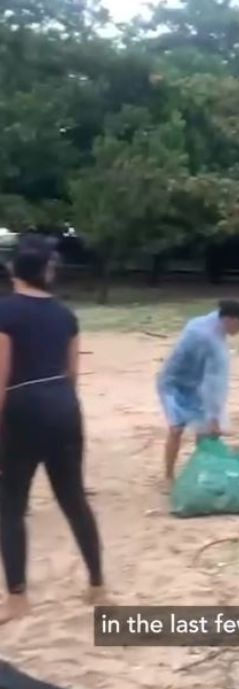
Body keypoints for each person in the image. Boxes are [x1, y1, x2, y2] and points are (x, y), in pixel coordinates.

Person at [0, 234, 106, 623]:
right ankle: (97, 584)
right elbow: (72, 373)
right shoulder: (66, 315)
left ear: (13, 271)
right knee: (74, 499)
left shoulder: (5, 312)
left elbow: (1, 377)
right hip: (63, 405)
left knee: (11, 506)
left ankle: (17, 598)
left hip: (23, 407)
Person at [157, 299, 239, 482]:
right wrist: (214, 417)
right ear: (230, 319)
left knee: (205, 432)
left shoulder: (212, 327)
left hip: (194, 384)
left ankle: (203, 472)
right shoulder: (209, 338)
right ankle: (169, 476)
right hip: (173, 384)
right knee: (177, 428)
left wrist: (211, 419)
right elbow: (214, 383)